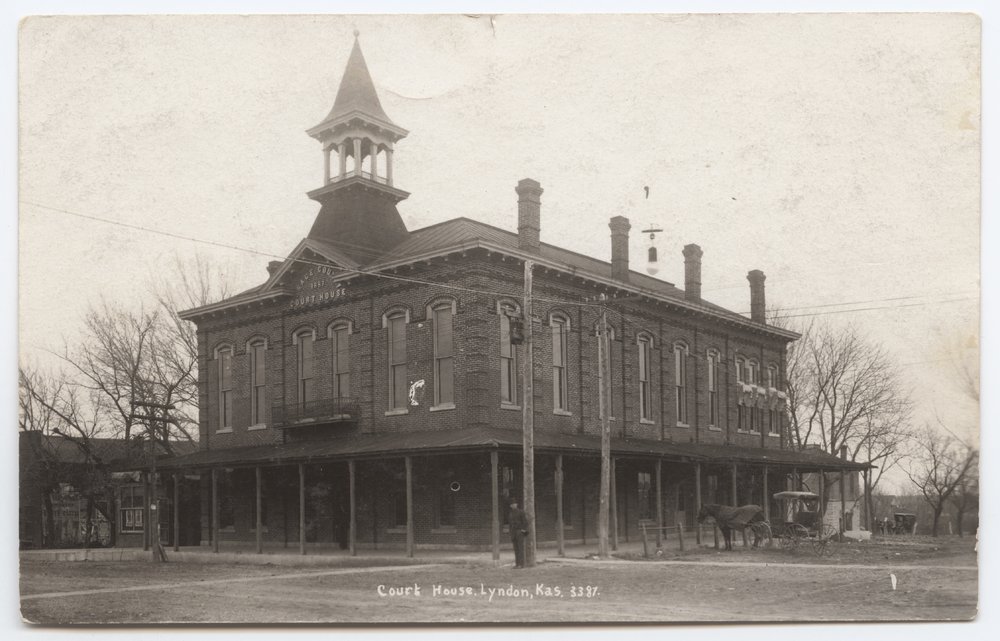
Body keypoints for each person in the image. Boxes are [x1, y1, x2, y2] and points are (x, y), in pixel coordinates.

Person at [508, 500, 528, 568]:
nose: (513, 505)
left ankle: (522, 564)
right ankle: (517, 564)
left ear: (516, 504)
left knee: (521, 548)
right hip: (513, 533)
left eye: (514, 504)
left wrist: (523, 532)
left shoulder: (521, 512)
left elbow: (525, 523)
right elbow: (510, 524)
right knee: (516, 549)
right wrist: (510, 533)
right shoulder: (510, 514)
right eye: (512, 504)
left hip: (519, 532)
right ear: (510, 506)